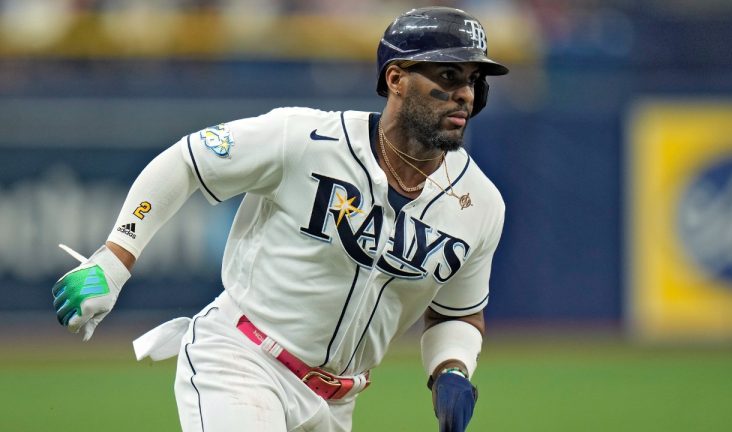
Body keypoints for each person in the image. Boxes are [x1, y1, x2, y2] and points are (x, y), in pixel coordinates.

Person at [52, 6, 508, 432]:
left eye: (474, 80)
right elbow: (188, 161)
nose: (464, 94)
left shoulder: (481, 204)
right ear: (396, 79)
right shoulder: (305, 138)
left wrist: (451, 368)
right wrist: (114, 259)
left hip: (335, 405)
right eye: (448, 75)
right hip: (242, 362)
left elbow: (459, 314)